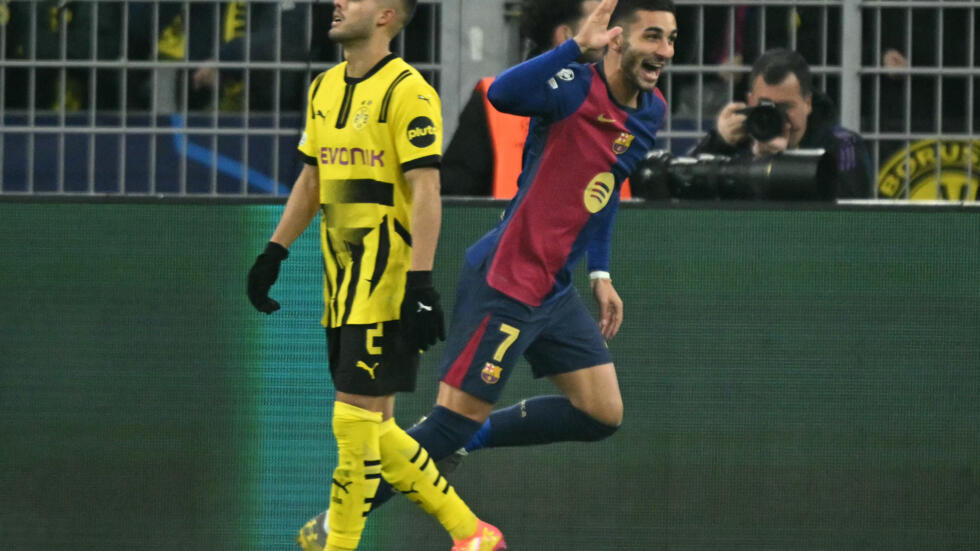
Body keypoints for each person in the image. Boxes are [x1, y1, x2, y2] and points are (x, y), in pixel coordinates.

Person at [306, 0, 674, 532]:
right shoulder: (572, 82)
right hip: (507, 279)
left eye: (670, 39)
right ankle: (334, 522)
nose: (663, 51)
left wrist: (600, 271)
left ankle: (466, 438)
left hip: (554, 288)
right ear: (617, 39)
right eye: (653, 37)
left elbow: (606, 184)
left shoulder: (651, 109)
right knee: (449, 425)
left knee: (601, 413)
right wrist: (574, 48)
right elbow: (502, 95)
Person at [244, 1, 505, 550]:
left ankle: (338, 543)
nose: (337, 2)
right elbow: (312, 180)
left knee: (353, 423)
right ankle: (473, 534)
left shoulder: (409, 90)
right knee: (375, 429)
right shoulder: (323, 89)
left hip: (385, 283)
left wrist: (420, 283)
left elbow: (426, 191)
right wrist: (275, 251)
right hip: (339, 285)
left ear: (388, 13)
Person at [440, 0, 601, 197]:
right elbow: (458, 201)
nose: (612, 34)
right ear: (566, 36)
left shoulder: (625, 101)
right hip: (516, 226)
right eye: (601, 23)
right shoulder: (493, 103)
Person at [687, 48, 872, 199]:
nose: (778, 117)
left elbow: (851, 213)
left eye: (785, 107)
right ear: (750, 101)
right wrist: (718, 141)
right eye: (766, 106)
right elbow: (683, 188)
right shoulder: (737, 142)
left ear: (807, 103)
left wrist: (781, 164)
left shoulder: (844, 144)